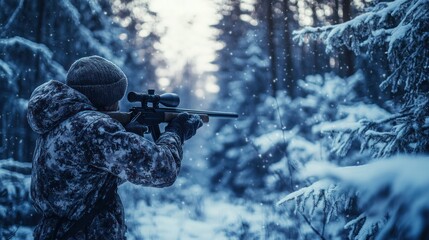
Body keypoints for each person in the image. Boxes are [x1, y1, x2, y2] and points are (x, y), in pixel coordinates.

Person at [27, 55, 203, 239]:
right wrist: (176, 132)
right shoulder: (93, 128)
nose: (119, 104)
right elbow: (163, 170)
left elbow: (90, 182)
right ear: (106, 98)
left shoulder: (59, 119)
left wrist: (127, 139)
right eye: (116, 97)